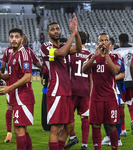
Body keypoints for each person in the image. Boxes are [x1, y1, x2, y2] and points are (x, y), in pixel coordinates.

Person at [40, 13, 82, 150]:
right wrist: (72, 34)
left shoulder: (64, 45)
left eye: (58, 29)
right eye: (53, 29)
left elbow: (79, 49)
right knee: (56, 128)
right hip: (56, 92)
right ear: (48, 33)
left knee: (69, 126)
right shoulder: (45, 47)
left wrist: (75, 33)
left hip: (68, 91)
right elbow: (61, 53)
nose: (56, 31)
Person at [82, 33, 122, 150]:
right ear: (97, 43)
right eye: (101, 40)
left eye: (106, 40)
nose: (103, 42)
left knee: (111, 126)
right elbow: (84, 70)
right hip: (95, 97)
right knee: (95, 125)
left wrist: (106, 55)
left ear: (109, 43)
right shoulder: (91, 56)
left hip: (110, 97)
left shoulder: (116, 56)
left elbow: (115, 71)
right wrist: (95, 56)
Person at [2, 33, 41, 143]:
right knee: (21, 128)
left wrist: (8, 88)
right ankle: (9, 132)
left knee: (20, 128)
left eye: (17, 37)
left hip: (21, 93)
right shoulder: (12, 53)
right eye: (12, 37)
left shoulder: (24, 53)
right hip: (14, 90)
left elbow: (28, 76)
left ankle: (9, 133)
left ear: (22, 40)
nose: (14, 40)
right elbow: (10, 73)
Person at [64, 31, 90, 150]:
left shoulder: (70, 54)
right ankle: (84, 144)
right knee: (85, 117)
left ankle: (72, 136)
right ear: (87, 40)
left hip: (72, 88)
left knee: (67, 116)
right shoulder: (90, 55)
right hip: (86, 89)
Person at [101, 37, 125, 146]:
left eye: (108, 43)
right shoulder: (98, 56)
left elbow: (122, 74)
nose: (105, 44)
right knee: (104, 116)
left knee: (115, 115)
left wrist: (109, 78)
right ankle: (108, 136)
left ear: (112, 46)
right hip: (101, 92)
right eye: (103, 42)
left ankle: (118, 137)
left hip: (114, 91)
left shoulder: (116, 56)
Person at [114, 33, 133, 136]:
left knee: (121, 105)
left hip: (121, 80)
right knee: (132, 103)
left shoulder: (116, 52)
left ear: (119, 41)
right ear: (128, 40)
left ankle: (123, 130)